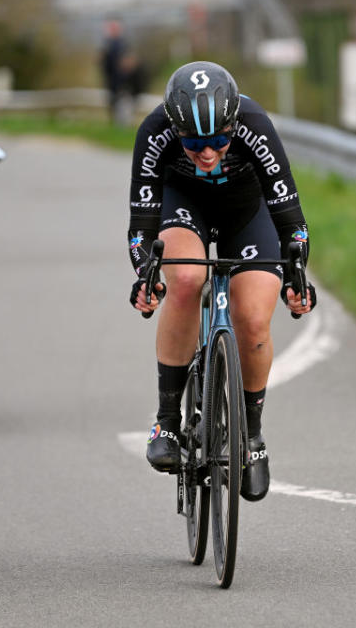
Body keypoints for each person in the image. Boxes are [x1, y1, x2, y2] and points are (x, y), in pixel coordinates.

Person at [127, 61, 315, 502]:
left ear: (233, 124)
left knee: (252, 319)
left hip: (246, 211)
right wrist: (146, 276)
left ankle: (251, 437)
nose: (207, 153)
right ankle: (168, 421)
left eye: (217, 141)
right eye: (193, 143)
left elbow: (289, 213)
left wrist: (297, 273)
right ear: (175, 129)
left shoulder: (254, 123)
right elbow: (142, 222)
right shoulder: (153, 130)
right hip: (184, 204)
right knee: (188, 279)